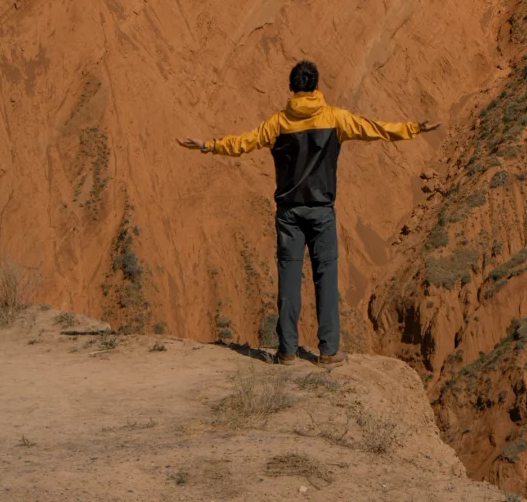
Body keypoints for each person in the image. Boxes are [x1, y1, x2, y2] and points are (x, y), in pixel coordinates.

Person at [177, 59, 439, 366]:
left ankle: (287, 350)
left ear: (292, 88)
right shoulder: (334, 117)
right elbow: (375, 129)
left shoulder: (277, 123)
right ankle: (328, 351)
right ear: (315, 86)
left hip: (288, 212)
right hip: (321, 212)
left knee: (289, 279)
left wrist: (207, 145)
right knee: (325, 278)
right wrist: (414, 128)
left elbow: (242, 143)